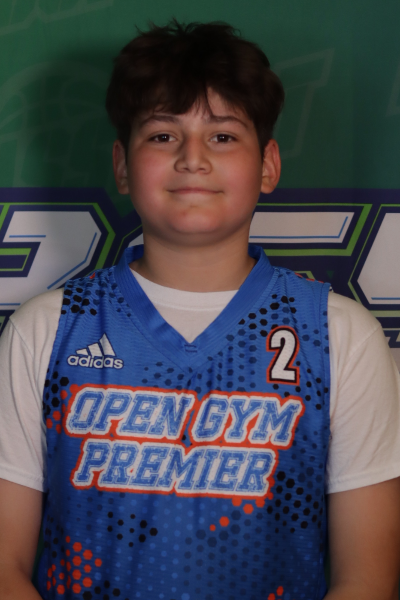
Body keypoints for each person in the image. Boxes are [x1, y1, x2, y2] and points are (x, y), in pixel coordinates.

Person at [0, 20, 400, 600]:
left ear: (268, 165)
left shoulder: (338, 335)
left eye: (223, 136)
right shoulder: (47, 329)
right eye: (163, 135)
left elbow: (367, 578)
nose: (192, 158)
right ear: (122, 165)